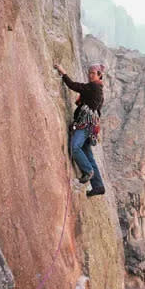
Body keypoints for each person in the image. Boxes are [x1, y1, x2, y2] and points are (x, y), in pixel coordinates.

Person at [53, 62, 106, 197]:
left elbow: (73, 86)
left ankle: (88, 171)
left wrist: (63, 72)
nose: (90, 75)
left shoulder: (93, 87)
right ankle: (98, 186)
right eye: (89, 73)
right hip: (90, 126)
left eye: (93, 73)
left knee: (75, 147)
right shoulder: (99, 89)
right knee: (88, 154)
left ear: (99, 76)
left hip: (85, 125)